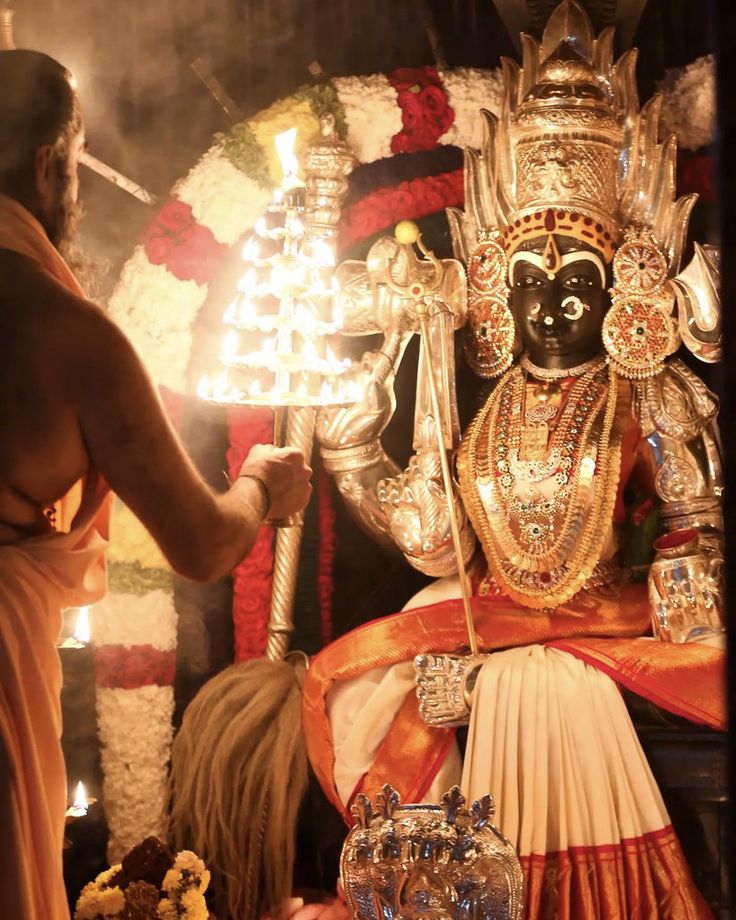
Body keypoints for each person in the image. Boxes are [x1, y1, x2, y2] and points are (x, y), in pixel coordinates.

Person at [304, 2, 725, 916]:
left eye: (575, 285)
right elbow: (434, 543)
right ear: (497, 297)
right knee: (373, 677)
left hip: (596, 638)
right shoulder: (481, 406)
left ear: (619, 295)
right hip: (491, 632)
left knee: (546, 682)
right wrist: (351, 449)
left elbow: (693, 528)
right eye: (528, 286)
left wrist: (675, 593)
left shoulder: (643, 396)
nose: (550, 309)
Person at [0, 49, 312, 920]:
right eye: (73, 164)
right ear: (48, 164)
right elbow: (204, 541)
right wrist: (259, 481)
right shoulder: (69, 335)